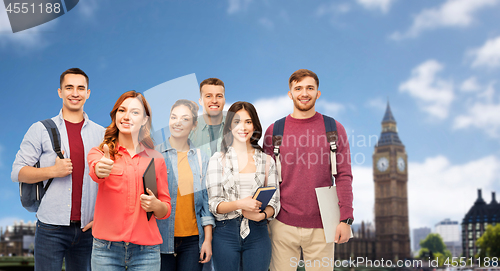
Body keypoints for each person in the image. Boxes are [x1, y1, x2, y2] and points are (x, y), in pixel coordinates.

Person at [11, 68, 104, 271]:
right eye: (69, 87)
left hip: (88, 229)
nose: (75, 93)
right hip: (50, 228)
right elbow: (17, 172)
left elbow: (109, 182)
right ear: (60, 92)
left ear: (88, 93)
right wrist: (52, 171)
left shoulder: (102, 134)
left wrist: (101, 218)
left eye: (81, 88)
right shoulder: (40, 129)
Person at [263, 69, 354, 271]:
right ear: (290, 93)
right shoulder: (274, 131)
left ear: (318, 93)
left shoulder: (334, 129)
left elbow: (344, 176)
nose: (304, 93)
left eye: (310, 88)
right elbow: (264, 179)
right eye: (298, 88)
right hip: (281, 223)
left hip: (323, 225)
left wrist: (345, 219)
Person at [87, 91, 171, 271]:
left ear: (144, 120)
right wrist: (100, 169)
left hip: (146, 252)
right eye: (122, 110)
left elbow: (165, 209)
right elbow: (96, 171)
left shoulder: (156, 159)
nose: (126, 116)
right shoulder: (100, 153)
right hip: (105, 250)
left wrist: (156, 205)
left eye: (134, 112)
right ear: (115, 115)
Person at [207, 101, 280, 271]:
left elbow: (275, 202)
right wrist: (241, 204)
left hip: (258, 232)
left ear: (254, 125)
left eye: (248, 122)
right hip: (225, 233)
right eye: (237, 121)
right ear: (229, 127)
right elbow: (214, 204)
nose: (243, 127)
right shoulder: (217, 160)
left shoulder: (267, 160)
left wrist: (262, 216)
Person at [156, 99, 215, 271]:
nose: (178, 123)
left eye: (185, 119)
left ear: (194, 125)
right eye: (174, 117)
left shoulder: (201, 158)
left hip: (192, 241)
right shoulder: (154, 154)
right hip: (160, 239)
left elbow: (206, 205)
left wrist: (207, 241)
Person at [189, 78, 226, 157]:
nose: (214, 100)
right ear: (200, 101)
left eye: (219, 96)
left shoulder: (235, 127)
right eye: (208, 96)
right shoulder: (188, 129)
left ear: (224, 100)